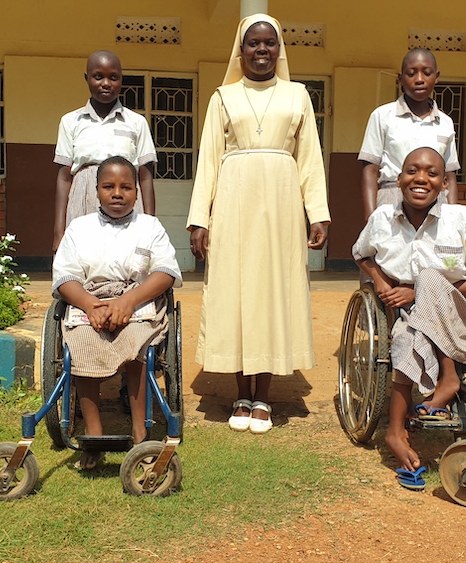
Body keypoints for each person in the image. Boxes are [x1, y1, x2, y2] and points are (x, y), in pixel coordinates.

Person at [187, 14, 330, 435]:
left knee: (271, 291)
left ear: (279, 49)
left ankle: (263, 395)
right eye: (253, 43)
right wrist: (200, 219)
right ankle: (240, 394)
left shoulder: (298, 95)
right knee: (235, 290)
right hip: (232, 204)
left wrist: (317, 211)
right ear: (241, 50)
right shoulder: (223, 96)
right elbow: (208, 160)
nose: (262, 50)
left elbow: (310, 158)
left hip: (282, 206)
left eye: (269, 43)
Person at [352, 147, 466, 490]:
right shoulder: (381, 219)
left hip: (459, 311)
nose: (421, 179)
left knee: (432, 277)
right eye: (412, 171)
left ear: (444, 184)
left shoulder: (460, 219)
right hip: (405, 314)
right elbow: (360, 254)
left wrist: (421, 291)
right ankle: (396, 433)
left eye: (432, 173)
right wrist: (380, 280)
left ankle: (445, 382)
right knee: (405, 336)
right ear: (399, 178)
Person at [53, 156, 182, 470]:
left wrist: (127, 302)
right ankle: (93, 435)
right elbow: (65, 277)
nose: (117, 193)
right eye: (108, 186)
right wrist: (88, 305)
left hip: (137, 300)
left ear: (137, 193)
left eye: (126, 187)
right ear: (96, 190)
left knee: (138, 346)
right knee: (82, 343)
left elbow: (165, 271)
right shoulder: (79, 228)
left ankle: (141, 432)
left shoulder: (150, 226)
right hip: (90, 300)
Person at [53, 50, 158, 252]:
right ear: (87, 78)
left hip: (125, 199)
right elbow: (64, 178)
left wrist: (150, 224)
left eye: (113, 77)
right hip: (83, 197)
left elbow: (145, 176)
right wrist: (58, 232)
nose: (106, 83)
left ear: (121, 80)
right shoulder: (71, 121)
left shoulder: (136, 122)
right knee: (84, 256)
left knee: (126, 256)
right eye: (98, 76)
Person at [358, 48, 460, 220]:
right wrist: (371, 219)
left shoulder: (445, 122)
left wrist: (453, 219)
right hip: (392, 198)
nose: (419, 79)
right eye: (411, 74)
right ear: (400, 79)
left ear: (437, 77)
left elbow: (449, 176)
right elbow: (370, 170)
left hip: (436, 203)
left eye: (427, 73)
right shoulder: (382, 116)